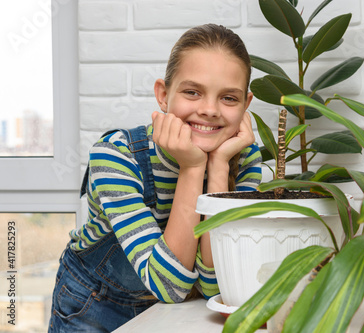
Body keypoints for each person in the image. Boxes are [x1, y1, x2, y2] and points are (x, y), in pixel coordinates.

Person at [48, 24, 262, 332]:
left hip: (173, 314)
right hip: (93, 306)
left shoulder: (242, 158)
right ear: (163, 95)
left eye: (229, 98)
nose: (210, 109)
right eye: (192, 92)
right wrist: (191, 168)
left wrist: (217, 170)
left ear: (246, 105)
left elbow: (220, 290)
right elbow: (170, 286)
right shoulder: (116, 155)